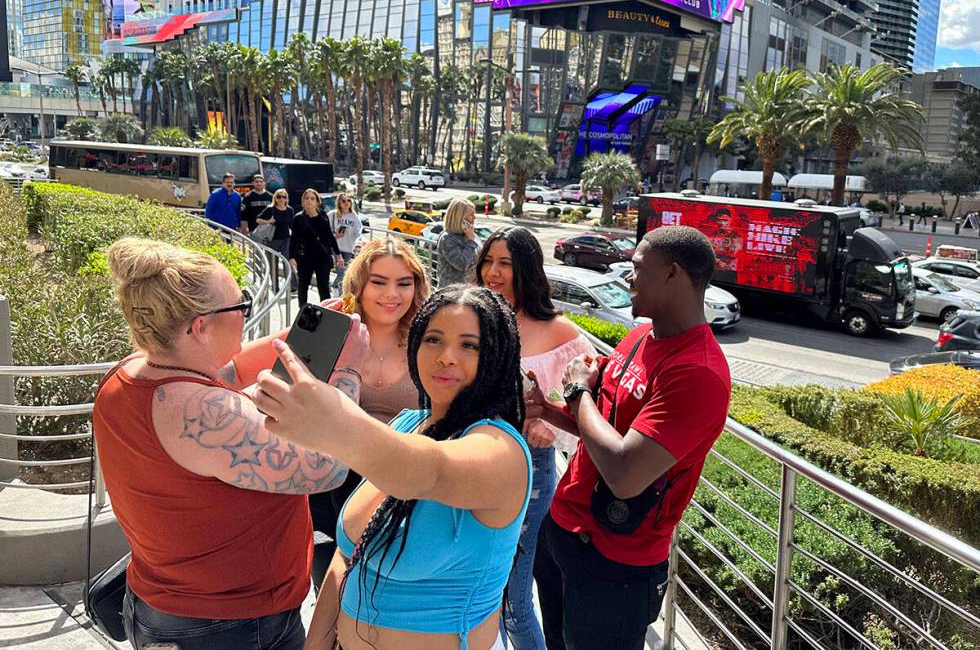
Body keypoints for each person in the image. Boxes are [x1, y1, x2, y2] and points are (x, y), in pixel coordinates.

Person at [92, 238, 369, 650]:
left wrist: (304, 333)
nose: (245, 313)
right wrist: (348, 369)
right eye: (239, 306)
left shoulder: (132, 374)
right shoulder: (203, 411)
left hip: (168, 609)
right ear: (200, 326)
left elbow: (227, 369)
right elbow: (327, 468)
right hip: (232, 626)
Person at [255, 285, 532, 650]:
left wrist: (335, 424)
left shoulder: (502, 451)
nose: (446, 356)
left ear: (499, 356)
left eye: (470, 345)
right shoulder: (405, 424)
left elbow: (426, 471)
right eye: (433, 339)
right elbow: (346, 559)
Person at [526, 226, 732, 650]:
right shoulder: (641, 336)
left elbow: (623, 473)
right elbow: (600, 428)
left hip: (615, 565)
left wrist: (577, 390)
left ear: (673, 274)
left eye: (638, 268)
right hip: (564, 528)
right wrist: (544, 409)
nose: (628, 279)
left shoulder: (698, 373)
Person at [473, 227, 594, 650]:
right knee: (482, 593)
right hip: (473, 463)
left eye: (504, 263)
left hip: (531, 471)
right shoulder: (474, 316)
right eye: (488, 261)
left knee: (513, 599)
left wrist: (551, 423)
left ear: (525, 269)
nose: (493, 272)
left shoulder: (558, 330)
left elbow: (589, 398)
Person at [308, 237, 431, 590]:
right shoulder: (331, 332)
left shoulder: (428, 341)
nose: (392, 294)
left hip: (400, 492)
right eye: (379, 282)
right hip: (328, 489)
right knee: (331, 592)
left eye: (404, 283)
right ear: (358, 285)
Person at [289, 188, 345, 308]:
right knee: (303, 287)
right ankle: (302, 314)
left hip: (322, 257)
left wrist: (338, 255)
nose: (309, 201)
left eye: (312, 198)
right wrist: (291, 257)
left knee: (324, 287)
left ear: (317, 202)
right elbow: (294, 239)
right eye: (306, 198)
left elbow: (330, 236)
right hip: (304, 258)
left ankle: (326, 313)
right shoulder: (298, 218)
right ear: (303, 201)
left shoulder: (323, 216)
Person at [437, 197, 479, 287]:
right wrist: (471, 241)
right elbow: (462, 264)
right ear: (460, 218)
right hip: (451, 293)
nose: (474, 217)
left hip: (469, 289)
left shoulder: (468, 233)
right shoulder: (447, 239)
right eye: (471, 215)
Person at [327, 193, 362, 297]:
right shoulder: (332, 215)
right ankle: (339, 295)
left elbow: (359, 232)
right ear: (339, 203)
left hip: (348, 248)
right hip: (335, 247)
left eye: (349, 200)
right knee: (342, 272)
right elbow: (325, 231)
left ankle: (335, 289)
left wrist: (357, 242)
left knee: (344, 273)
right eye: (344, 201)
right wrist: (335, 235)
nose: (346, 203)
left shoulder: (354, 217)